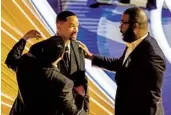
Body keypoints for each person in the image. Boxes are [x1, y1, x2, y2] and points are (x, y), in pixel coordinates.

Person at [79, 7, 166, 115]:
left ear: (135, 26)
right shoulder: (134, 44)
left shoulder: (152, 56)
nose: (120, 27)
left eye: (123, 23)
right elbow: (121, 65)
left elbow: (152, 98)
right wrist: (91, 57)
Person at [6, 10, 89, 114]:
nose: (76, 30)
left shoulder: (80, 50)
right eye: (72, 26)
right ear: (59, 26)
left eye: (77, 26)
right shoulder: (37, 49)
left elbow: (83, 83)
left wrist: (85, 111)